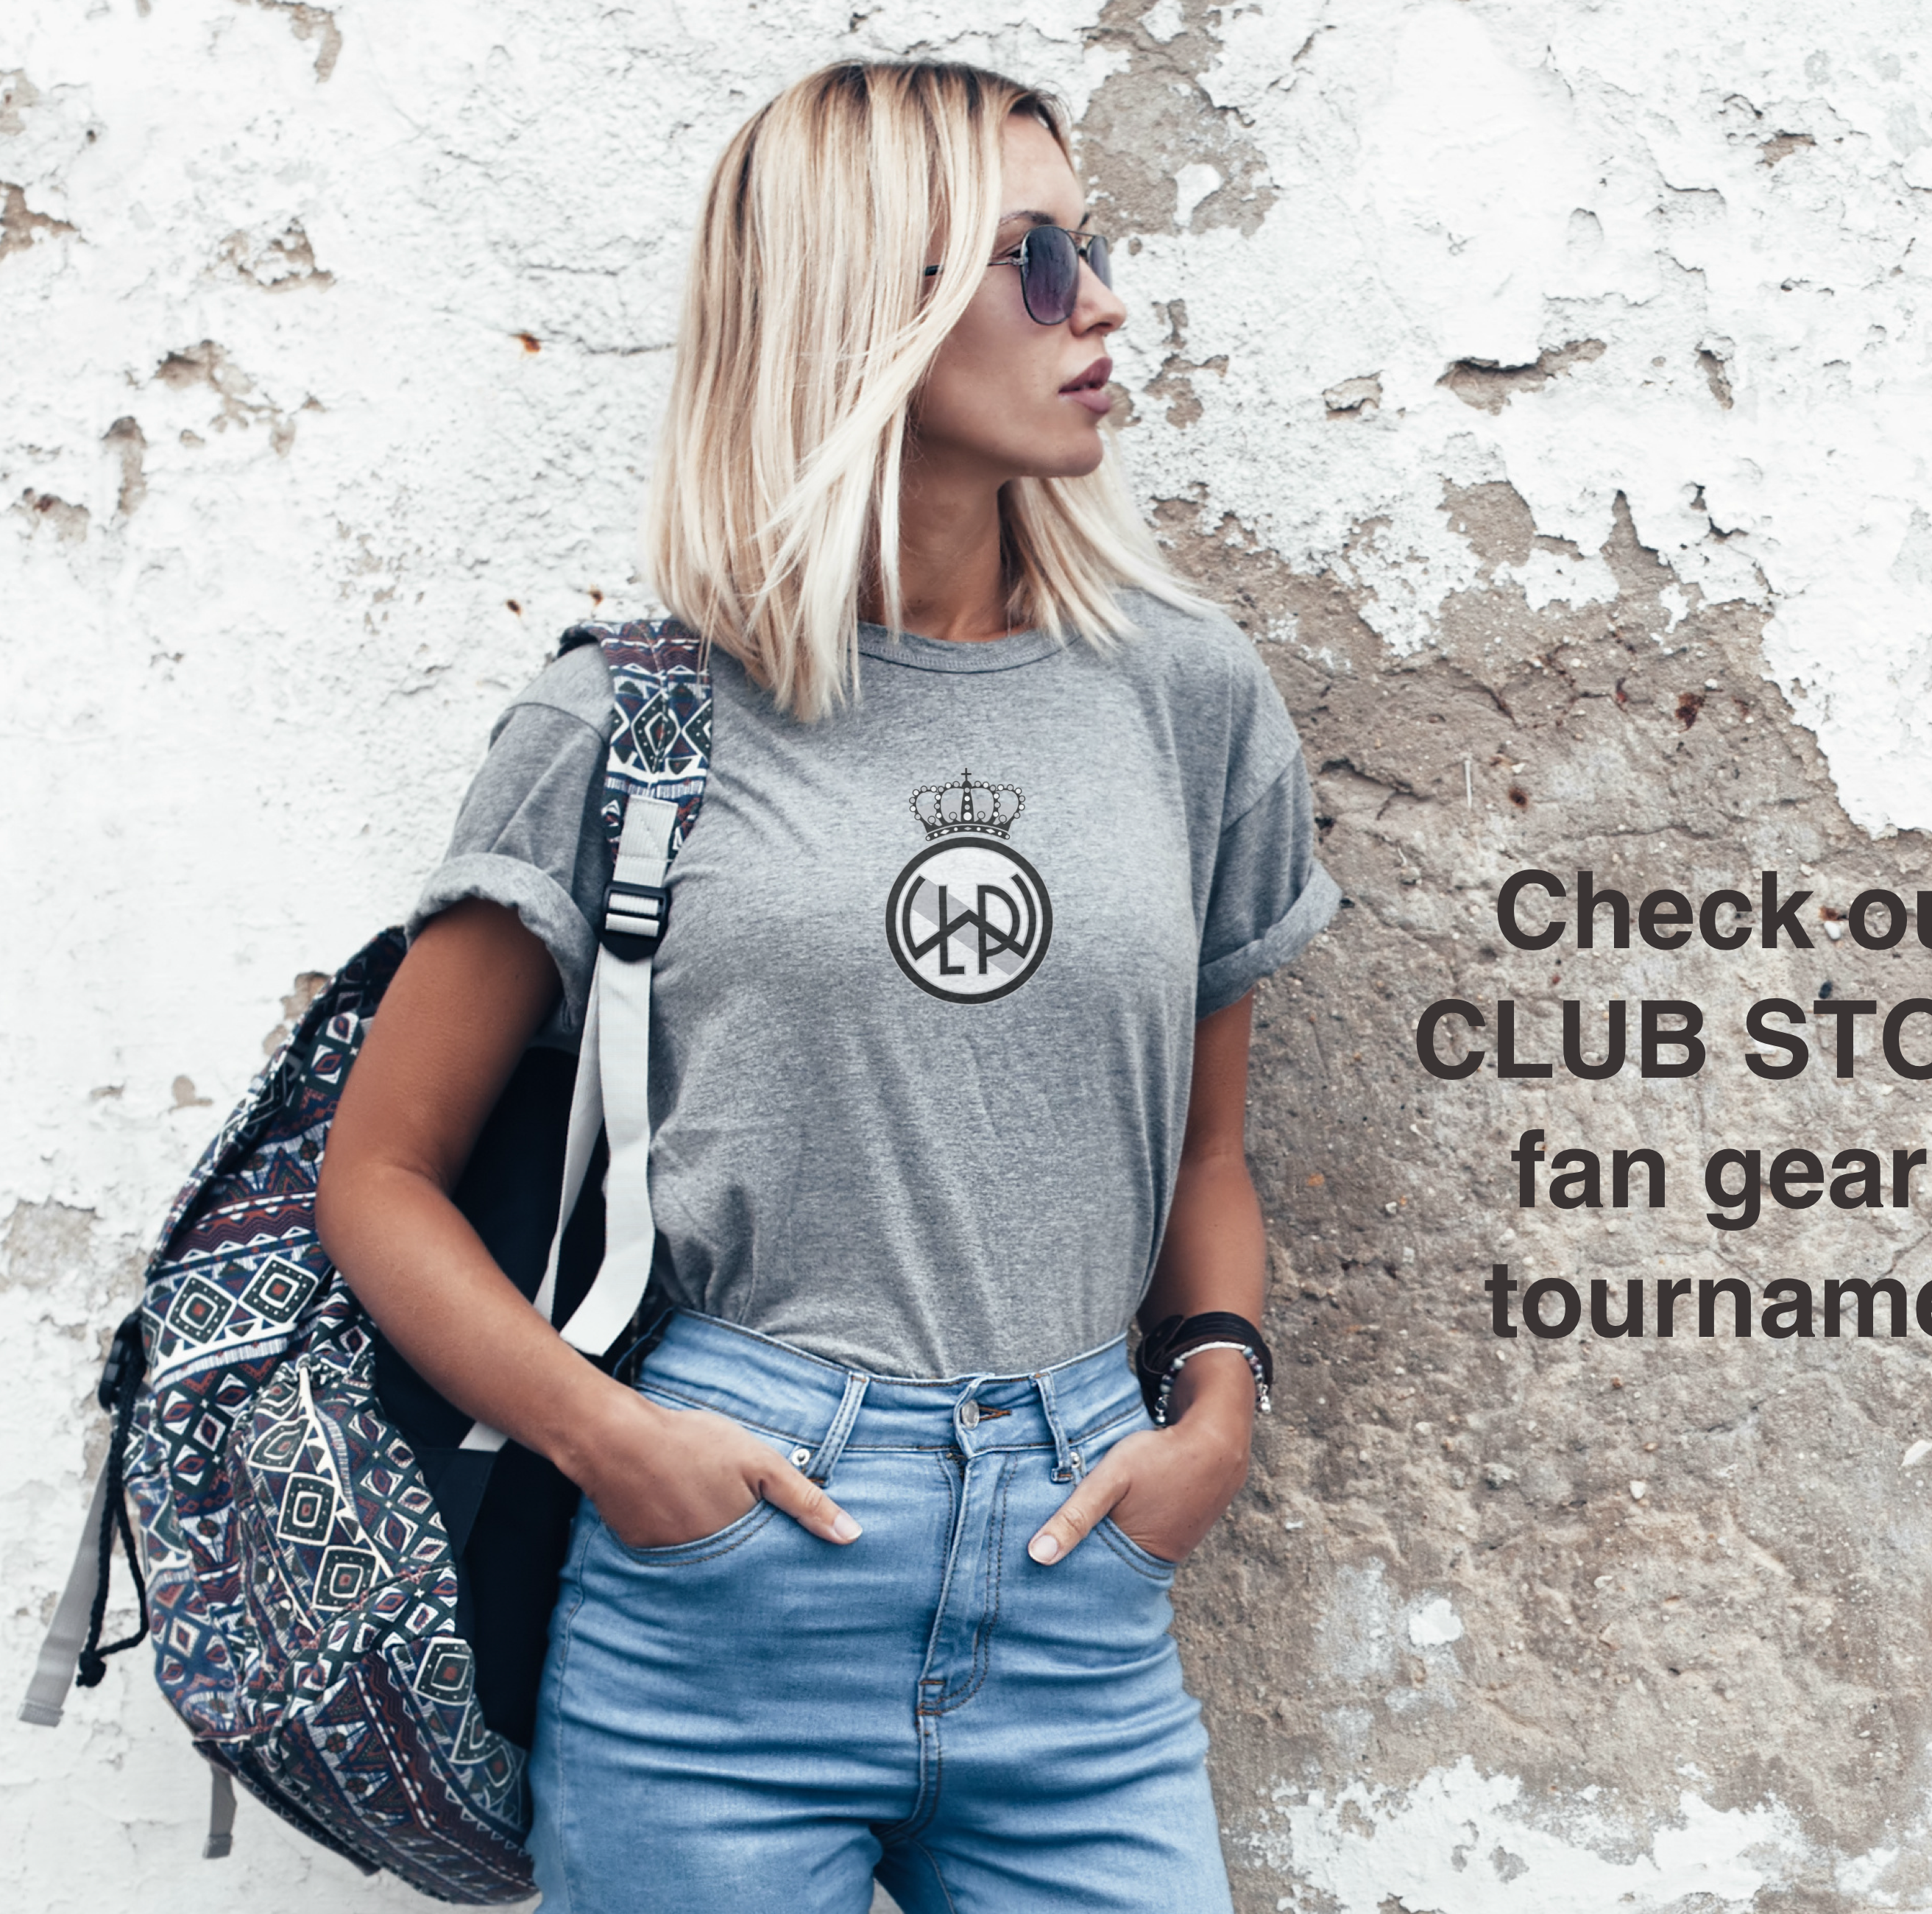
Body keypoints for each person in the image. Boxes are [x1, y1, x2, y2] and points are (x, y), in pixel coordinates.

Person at [311, 57, 1339, 1914]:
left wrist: (1218, 1411)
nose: (1098, 301)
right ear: (862, 303)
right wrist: (610, 1440)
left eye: (1085, 247)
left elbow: (1207, 1156)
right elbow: (377, 1177)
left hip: (1078, 1574)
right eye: (1030, 260)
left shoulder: (1186, 702)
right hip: (727, 1584)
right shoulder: (625, 723)